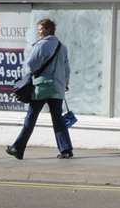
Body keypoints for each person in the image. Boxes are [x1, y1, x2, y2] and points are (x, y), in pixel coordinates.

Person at [6, 17, 73, 160]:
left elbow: (31, 65)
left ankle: (18, 148)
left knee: (31, 118)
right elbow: (67, 69)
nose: (39, 32)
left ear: (48, 29)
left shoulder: (41, 45)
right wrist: (65, 84)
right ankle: (66, 149)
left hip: (42, 87)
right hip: (57, 88)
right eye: (39, 30)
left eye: (41, 29)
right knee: (58, 120)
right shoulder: (63, 47)